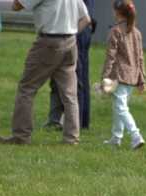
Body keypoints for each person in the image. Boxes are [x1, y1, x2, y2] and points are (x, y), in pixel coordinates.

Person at [0, 0, 90, 146]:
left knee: (26, 88)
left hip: (48, 41)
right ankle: (71, 138)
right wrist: (69, 34)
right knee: (69, 95)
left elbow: (16, 6)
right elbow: (86, 19)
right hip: (70, 42)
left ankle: (21, 136)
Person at [101, 0, 146, 150]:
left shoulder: (115, 31)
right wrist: (142, 80)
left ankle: (136, 136)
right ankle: (116, 138)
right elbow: (140, 58)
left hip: (119, 76)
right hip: (132, 77)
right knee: (118, 107)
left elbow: (110, 57)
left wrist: (105, 77)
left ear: (117, 12)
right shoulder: (137, 32)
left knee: (121, 108)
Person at [44, 0, 96, 130]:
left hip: (76, 27)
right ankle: (77, 120)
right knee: (77, 77)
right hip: (80, 26)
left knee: (75, 79)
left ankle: (74, 122)